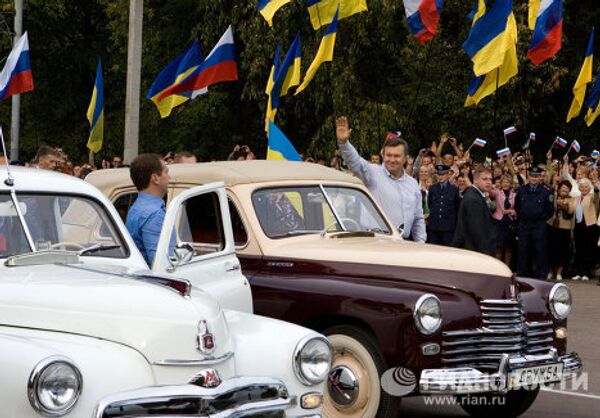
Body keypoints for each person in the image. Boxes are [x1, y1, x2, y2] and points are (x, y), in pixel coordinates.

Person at [336, 116, 426, 242]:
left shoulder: (412, 183)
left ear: (406, 158)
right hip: (376, 242)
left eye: (397, 156)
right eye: (388, 155)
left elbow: (418, 218)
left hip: (405, 244)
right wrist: (344, 143)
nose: (392, 159)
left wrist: (421, 243)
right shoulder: (372, 173)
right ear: (382, 155)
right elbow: (354, 161)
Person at [125, 153, 173, 265]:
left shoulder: (137, 207)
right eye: (166, 172)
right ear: (155, 178)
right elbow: (161, 264)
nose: (169, 177)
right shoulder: (154, 214)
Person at [515, 166, 554, 279]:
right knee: (523, 249)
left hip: (539, 225)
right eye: (532, 176)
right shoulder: (522, 190)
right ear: (528, 176)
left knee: (540, 249)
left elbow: (550, 210)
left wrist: (541, 218)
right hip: (524, 224)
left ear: (540, 177)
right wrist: (522, 217)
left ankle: (541, 274)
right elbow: (517, 206)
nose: (534, 178)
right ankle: (522, 273)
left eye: (536, 176)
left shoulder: (545, 192)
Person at [452, 167, 496, 256]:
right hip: (473, 251)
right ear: (475, 180)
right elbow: (477, 231)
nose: (488, 182)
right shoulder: (473, 199)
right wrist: (486, 254)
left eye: (490, 179)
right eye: (484, 179)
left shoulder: (475, 195)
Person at [547, 181, 576, 281]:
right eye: (563, 187)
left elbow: (570, 210)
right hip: (552, 226)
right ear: (559, 188)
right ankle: (550, 271)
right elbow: (550, 194)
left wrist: (562, 205)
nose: (565, 189)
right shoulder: (554, 196)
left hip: (565, 228)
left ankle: (559, 273)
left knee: (562, 251)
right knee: (551, 250)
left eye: (567, 188)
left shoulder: (572, 199)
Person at [571, 178, 599, 281]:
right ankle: (579, 272)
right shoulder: (576, 198)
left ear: (589, 188)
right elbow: (570, 208)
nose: (584, 188)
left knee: (588, 250)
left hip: (589, 226)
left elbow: (597, 198)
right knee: (578, 249)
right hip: (578, 226)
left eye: (586, 186)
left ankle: (587, 273)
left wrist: (596, 189)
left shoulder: (592, 196)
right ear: (579, 188)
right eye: (582, 187)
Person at [427, 165, 460, 246]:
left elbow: (457, 207)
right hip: (434, 227)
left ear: (448, 175)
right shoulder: (432, 188)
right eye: (439, 174)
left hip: (448, 228)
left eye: (443, 174)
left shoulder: (454, 189)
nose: (440, 177)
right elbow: (430, 204)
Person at [489, 174, 517, 265]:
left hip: (510, 223)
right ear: (501, 183)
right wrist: (493, 186)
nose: (505, 184)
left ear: (511, 184)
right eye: (504, 182)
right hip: (499, 222)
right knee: (499, 247)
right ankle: (498, 267)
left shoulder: (515, 195)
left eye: (507, 182)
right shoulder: (497, 193)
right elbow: (488, 191)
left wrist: (510, 212)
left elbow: (518, 210)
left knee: (509, 247)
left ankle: (507, 267)